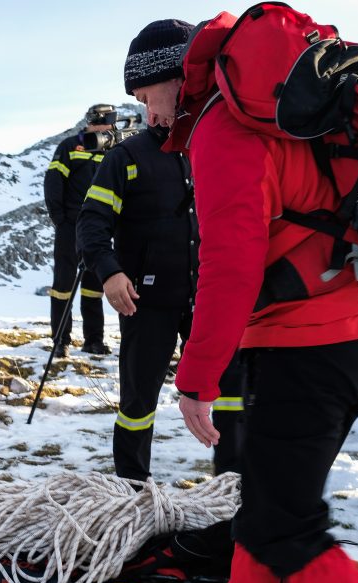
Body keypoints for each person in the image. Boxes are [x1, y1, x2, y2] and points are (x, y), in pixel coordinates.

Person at [126, 16, 358, 583]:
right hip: (353, 330)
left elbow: (230, 264)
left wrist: (197, 376)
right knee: (266, 501)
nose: (145, 110)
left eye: (146, 94)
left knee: (287, 519)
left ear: (174, 78)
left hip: (309, 345)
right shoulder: (283, 111)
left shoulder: (227, 131)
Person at [76, 28, 242, 482]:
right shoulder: (125, 157)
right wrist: (109, 273)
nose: (150, 111)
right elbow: (91, 223)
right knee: (137, 401)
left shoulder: (208, 145)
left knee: (230, 391)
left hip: (206, 300)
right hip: (145, 303)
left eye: (152, 98)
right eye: (142, 102)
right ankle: (132, 486)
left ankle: (232, 485)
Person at [43, 104, 114, 356]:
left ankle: (93, 340)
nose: (111, 126)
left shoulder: (114, 149)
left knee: (94, 285)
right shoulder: (71, 146)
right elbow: (53, 181)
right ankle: (60, 341)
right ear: (95, 121)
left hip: (101, 229)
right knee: (63, 284)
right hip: (70, 226)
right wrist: (60, 219)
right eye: (108, 121)